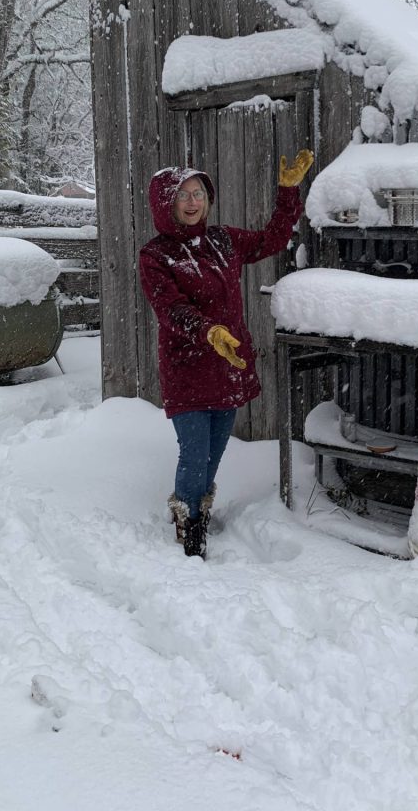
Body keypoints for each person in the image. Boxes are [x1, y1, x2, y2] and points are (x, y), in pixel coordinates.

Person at [139, 149, 314, 559]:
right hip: (187, 367)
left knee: (216, 451)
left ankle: (198, 504)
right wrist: (207, 330)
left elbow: (272, 238)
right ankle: (189, 520)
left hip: (228, 363)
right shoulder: (156, 256)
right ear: (167, 204)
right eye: (183, 195)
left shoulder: (223, 240)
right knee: (194, 451)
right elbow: (170, 310)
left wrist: (288, 193)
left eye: (199, 193)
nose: (193, 202)